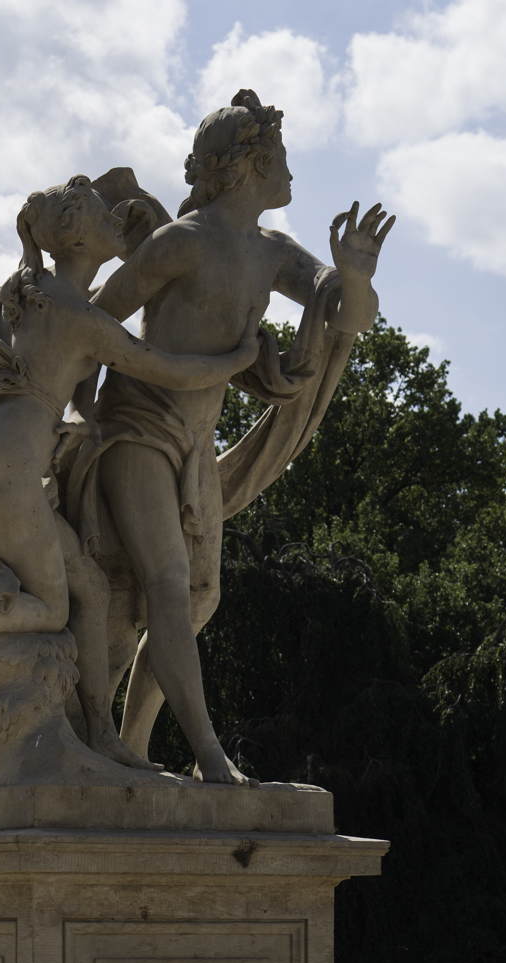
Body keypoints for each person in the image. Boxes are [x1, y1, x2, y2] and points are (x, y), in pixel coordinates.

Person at [0, 174, 264, 766]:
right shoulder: (83, 316)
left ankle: (102, 736)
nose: (117, 221)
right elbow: (170, 370)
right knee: (54, 607)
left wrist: (78, 412)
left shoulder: (26, 289)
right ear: (76, 237)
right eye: (103, 216)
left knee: (86, 584)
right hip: (6, 477)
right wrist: (238, 358)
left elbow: (44, 370)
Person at [86, 90, 393, 783]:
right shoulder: (181, 243)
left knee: (197, 598)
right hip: (135, 428)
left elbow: (350, 317)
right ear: (248, 165)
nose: (291, 173)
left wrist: (353, 277)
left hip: (195, 447)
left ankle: (130, 751)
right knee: (166, 585)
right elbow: (97, 324)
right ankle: (208, 755)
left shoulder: (272, 252)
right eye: (280, 158)